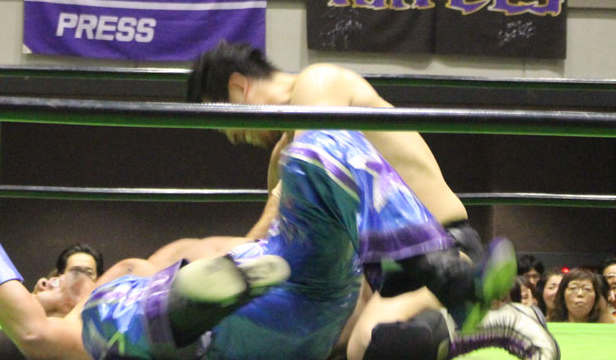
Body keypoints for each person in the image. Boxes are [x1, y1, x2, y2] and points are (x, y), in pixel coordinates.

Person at [0, 129, 528, 360]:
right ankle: (190, 310)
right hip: (241, 332)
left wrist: (285, 183)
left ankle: (439, 269)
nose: (46, 283)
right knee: (114, 313)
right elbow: (28, 332)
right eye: (41, 289)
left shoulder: (147, 261)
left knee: (320, 142)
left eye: (45, 281)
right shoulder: (78, 328)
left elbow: (262, 234)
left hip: (301, 288)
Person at [185, 42, 483, 265]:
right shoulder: (282, 155)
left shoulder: (320, 81)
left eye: (228, 125)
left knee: (374, 332)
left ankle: (463, 290)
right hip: (378, 267)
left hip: (442, 246)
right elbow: (284, 234)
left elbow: (302, 179)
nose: (235, 138)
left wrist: (237, 262)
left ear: (239, 87)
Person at [547, 267, 616, 324]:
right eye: (573, 288)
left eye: (587, 289)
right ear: (562, 295)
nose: (580, 294)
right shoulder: (548, 326)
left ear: (595, 298)